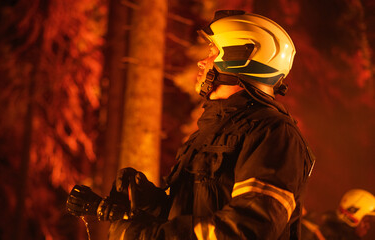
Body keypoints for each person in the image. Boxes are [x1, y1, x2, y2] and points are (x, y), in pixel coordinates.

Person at [67, 10, 315, 239]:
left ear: (240, 58)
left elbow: (247, 227)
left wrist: (155, 236)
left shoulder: (274, 133)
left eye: (213, 53)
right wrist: (149, 204)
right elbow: (195, 212)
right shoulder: (211, 131)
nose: (202, 62)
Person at [302, 189, 375, 240]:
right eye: (366, 221)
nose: (368, 227)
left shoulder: (320, 231)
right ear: (352, 215)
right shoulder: (316, 232)